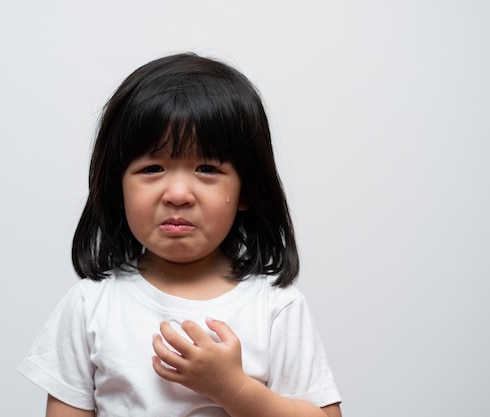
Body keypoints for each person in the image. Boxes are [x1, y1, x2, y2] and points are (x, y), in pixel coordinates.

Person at [18, 53, 342, 417]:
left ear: (247, 191)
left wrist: (231, 388)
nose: (177, 194)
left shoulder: (275, 307)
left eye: (206, 168)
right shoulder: (89, 305)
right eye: (153, 168)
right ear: (117, 187)